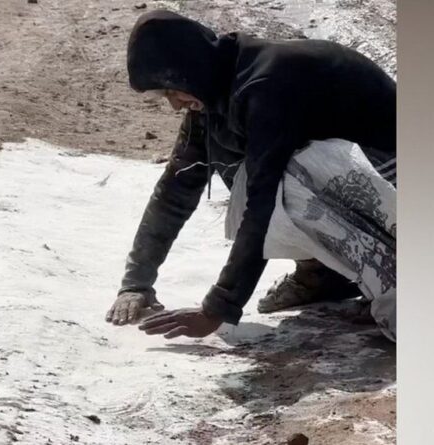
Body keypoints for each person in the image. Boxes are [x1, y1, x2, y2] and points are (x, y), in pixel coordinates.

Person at [105, 10, 397, 341]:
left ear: (189, 69)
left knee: (288, 178)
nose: (174, 105)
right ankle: (326, 275)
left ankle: (401, 280)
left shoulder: (266, 83)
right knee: (243, 167)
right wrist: (137, 283)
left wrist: (216, 309)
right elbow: (176, 188)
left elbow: (263, 202)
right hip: (377, 186)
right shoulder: (213, 93)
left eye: (172, 91)